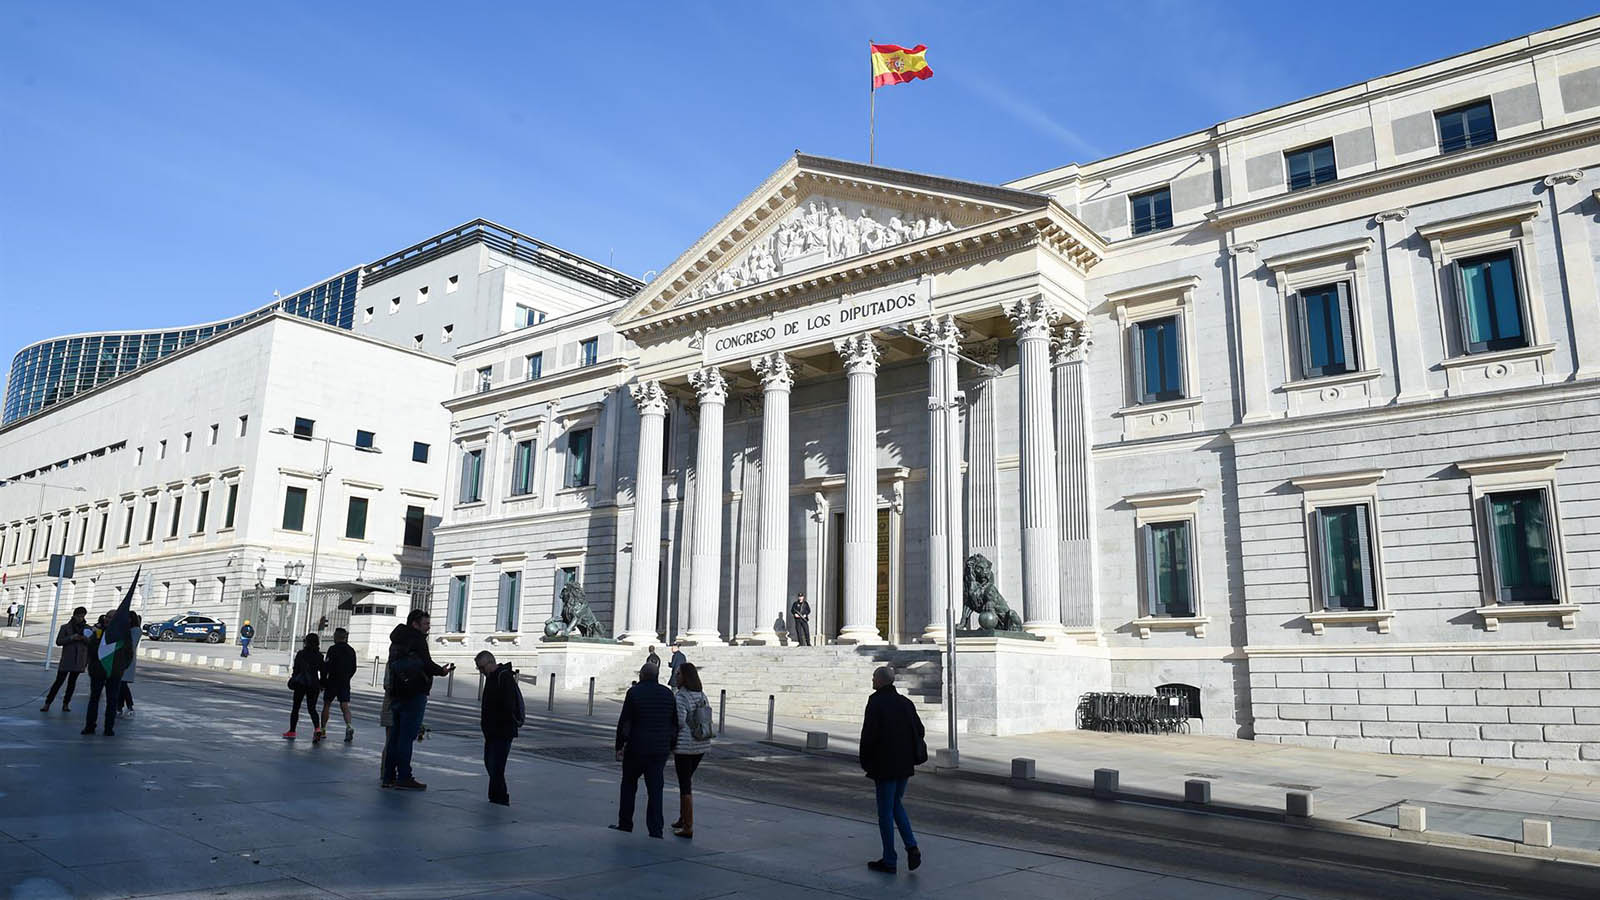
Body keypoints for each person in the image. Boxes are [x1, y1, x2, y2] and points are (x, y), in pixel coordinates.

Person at [859, 665, 924, 874]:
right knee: (896, 804)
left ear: (880, 681)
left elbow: (869, 734)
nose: (872, 681)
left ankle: (889, 860)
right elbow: (919, 730)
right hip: (904, 765)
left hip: (884, 765)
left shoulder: (876, 701)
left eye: (873, 678)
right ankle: (911, 846)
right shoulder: (905, 702)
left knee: (885, 813)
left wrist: (865, 760)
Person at [383, 610, 453, 790]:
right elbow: (427, 664)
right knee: (407, 737)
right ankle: (404, 777)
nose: (428, 627)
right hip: (414, 692)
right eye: (425, 624)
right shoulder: (417, 639)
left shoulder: (397, 639)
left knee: (395, 736)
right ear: (415, 623)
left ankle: (388, 776)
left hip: (397, 691)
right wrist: (442, 671)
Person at [611, 662, 676, 838]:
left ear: (641, 675)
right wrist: (670, 746)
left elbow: (624, 721)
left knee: (629, 785)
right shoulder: (668, 693)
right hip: (659, 750)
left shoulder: (634, 693)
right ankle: (656, 829)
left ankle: (625, 824)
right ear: (657, 675)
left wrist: (619, 746)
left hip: (636, 747)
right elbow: (674, 724)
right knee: (655, 790)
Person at [671, 662, 713, 839]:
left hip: (684, 746)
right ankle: (682, 818)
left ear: (685, 677)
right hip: (701, 745)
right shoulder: (702, 695)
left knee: (684, 785)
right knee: (686, 781)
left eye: (679, 674)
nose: (676, 676)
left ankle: (688, 825)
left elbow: (679, 722)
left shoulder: (681, 697)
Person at [475, 650, 523, 806]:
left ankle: (500, 797)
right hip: (492, 731)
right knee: (490, 763)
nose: (481, 672)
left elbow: (508, 706)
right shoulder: (492, 678)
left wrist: (498, 724)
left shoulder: (504, 677)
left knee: (496, 765)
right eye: (478, 669)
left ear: (490, 663)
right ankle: (496, 796)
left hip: (502, 730)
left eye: (481, 668)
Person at [41, 607, 90, 712]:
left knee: (72, 683)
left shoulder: (87, 628)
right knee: (59, 681)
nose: (80, 618)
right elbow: (59, 641)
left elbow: (91, 642)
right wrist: (72, 638)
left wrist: (84, 638)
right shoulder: (65, 627)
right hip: (67, 659)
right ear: (74, 615)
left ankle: (66, 704)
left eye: (82, 616)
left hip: (79, 660)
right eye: (79, 616)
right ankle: (48, 703)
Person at [81, 614, 122, 737]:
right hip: (98, 671)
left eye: (111, 618)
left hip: (114, 672)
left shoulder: (122, 634)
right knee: (94, 698)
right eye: (107, 617)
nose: (108, 620)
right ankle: (90, 726)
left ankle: (109, 728)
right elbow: (91, 649)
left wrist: (121, 668)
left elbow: (127, 652)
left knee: (112, 700)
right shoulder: (98, 632)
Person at [319, 627, 358, 743]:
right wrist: (347, 677)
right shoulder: (351, 650)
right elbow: (353, 668)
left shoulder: (332, 649)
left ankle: (323, 730)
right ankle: (349, 726)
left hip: (332, 681)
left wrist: (323, 681)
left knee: (327, 705)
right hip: (345, 682)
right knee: (344, 706)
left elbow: (326, 666)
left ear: (337, 637)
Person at [284, 633, 324, 741]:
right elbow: (323, 671)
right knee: (312, 708)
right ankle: (317, 729)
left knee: (296, 707)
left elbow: (296, 669)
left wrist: (293, 679)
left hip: (301, 684)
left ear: (306, 642)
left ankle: (292, 731)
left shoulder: (301, 654)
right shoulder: (319, 656)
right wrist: (322, 684)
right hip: (314, 684)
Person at [118, 613, 141, 717]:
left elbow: (131, 644)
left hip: (128, 659)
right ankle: (122, 705)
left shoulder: (135, 630)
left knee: (122, 684)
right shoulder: (128, 630)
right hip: (121, 659)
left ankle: (127, 704)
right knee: (121, 684)